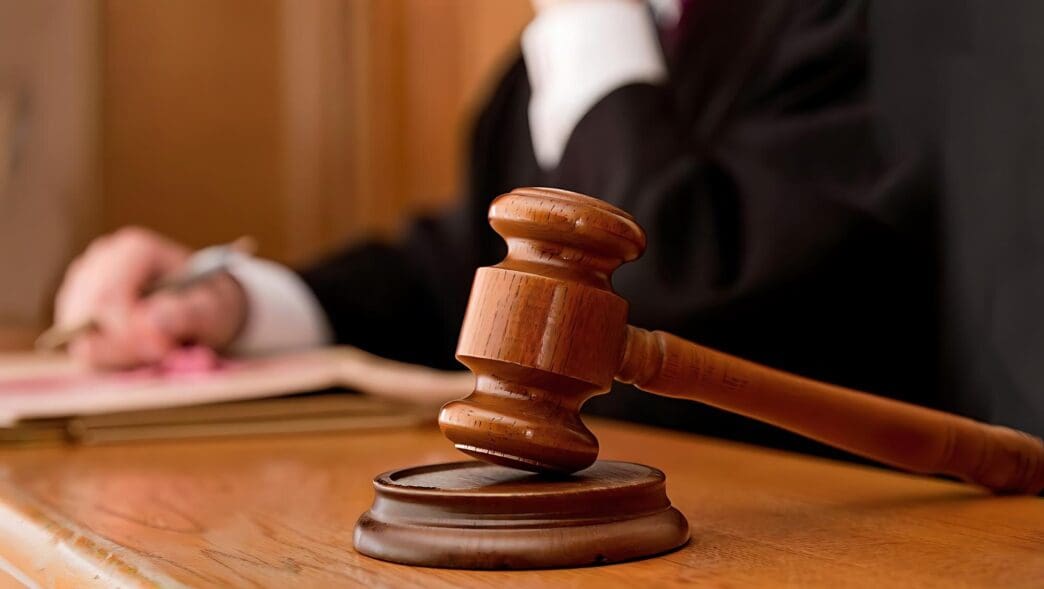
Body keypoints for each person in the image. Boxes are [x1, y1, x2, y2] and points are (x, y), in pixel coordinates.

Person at [54, 0, 947, 452]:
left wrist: (595, 37)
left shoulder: (841, 20)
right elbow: (466, 277)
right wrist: (233, 302)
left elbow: (693, 292)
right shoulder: (559, 55)